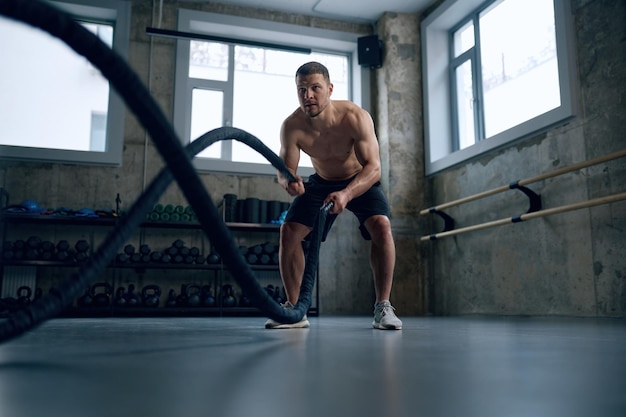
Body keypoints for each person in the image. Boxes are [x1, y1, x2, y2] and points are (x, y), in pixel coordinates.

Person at [265, 61, 402, 330]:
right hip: (321, 182)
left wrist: (347, 194)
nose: (308, 95)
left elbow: (374, 169)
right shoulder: (292, 125)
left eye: (315, 88)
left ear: (329, 89)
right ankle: (295, 310)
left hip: (359, 180)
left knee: (382, 227)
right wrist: (289, 182)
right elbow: (285, 171)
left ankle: (382, 307)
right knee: (289, 231)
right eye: (302, 89)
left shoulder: (354, 116)